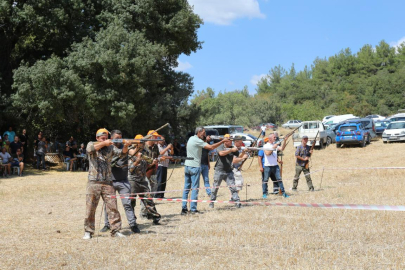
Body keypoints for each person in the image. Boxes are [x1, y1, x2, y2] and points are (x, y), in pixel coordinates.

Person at [83, 128, 130, 240]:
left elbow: (121, 155)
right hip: (93, 182)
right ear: (97, 138)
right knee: (90, 209)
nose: (105, 139)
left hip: (108, 182)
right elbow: (90, 149)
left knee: (113, 207)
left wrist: (126, 146)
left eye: (106, 137)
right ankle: (88, 231)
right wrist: (104, 143)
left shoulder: (111, 148)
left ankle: (116, 230)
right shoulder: (91, 144)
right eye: (102, 138)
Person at [101, 130, 140, 234]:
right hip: (110, 181)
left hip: (123, 181)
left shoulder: (124, 147)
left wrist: (135, 145)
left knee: (127, 204)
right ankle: (107, 224)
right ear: (112, 138)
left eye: (120, 137)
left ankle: (133, 225)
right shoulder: (107, 148)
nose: (119, 140)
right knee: (108, 205)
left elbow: (131, 152)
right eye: (117, 138)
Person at [181, 127, 227, 215]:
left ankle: (184, 209)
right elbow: (211, 147)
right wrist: (222, 141)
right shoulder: (198, 140)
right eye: (203, 132)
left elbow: (200, 145)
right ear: (199, 132)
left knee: (186, 188)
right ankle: (193, 209)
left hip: (187, 166)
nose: (205, 134)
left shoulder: (191, 138)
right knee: (195, 188)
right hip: (194, 166)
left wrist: (206, 140)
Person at [128, 134, 161, 225]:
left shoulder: (145, 152)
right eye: (141, 143)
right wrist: (137, 161)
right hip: (132, 180)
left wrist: (152, 163)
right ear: (136, 144)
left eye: (143, 143)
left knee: (148, 199)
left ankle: (155, 217)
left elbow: (145, 167)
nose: (143, 144)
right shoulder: (130, 153)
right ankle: (132, 220)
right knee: (132, 201)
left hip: (143, 180)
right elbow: (130, 169)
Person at [209, 135, 247, 209]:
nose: (231, 142)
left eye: (232, 140)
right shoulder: (220, 146)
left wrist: (243, 151)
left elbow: (238, 157)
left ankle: (237, 202)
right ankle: (211, 202)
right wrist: (231, 150)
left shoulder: (233, 148)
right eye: (229, 140)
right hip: (219, 170)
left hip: (229, 171)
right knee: (215, 188)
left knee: (233, 187)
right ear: (225, 141)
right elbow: (221, 154)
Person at [262, 133, 291, 198]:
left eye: (275, 137)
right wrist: (273, 147)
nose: (275, 138)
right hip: (267, 166)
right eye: (274, 137)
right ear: (270, 138)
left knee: (279, 179)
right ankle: (264, 193)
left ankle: (283, 193)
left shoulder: (274, 145)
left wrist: (285, 141)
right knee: (265, 180)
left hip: (275, 165)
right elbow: (267, 153)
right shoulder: (266, 146)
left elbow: (282, 148)